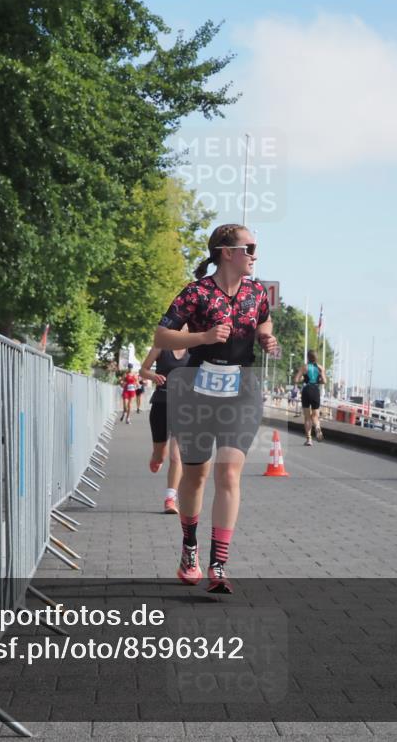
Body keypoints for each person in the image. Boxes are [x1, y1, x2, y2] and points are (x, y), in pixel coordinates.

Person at [154, 223, 279, 594]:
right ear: (227, 251)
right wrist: (203, 337)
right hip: (197, 388)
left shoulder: (257, 291)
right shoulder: (197, 293)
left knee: (230, 474)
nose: (255, 254)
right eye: (250, 247)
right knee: (197, 476)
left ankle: (219, 564)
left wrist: (265, 335)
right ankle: (189, 547)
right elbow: (162, 336)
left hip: (242, 388)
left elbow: (264, 317)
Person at [139, 338, 189, 514]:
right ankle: (156, 456)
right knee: (162, 455)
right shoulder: (161, 346)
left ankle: (170, 499)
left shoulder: (196, 349)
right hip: (161, 404)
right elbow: (143, 370)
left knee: (176, 457)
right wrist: (153, 376)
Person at [294, 350, 326, 446]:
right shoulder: (321, 368)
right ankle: (317, 427)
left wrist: (302, 379)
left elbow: (296, 380)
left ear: (308, 357)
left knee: (307, 417)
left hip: (306, 390)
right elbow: (324, 381)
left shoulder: (305, 367)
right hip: (315, 390)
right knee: (315, 416)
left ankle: (309, 439)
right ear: (316, 358)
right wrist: (317, 381)